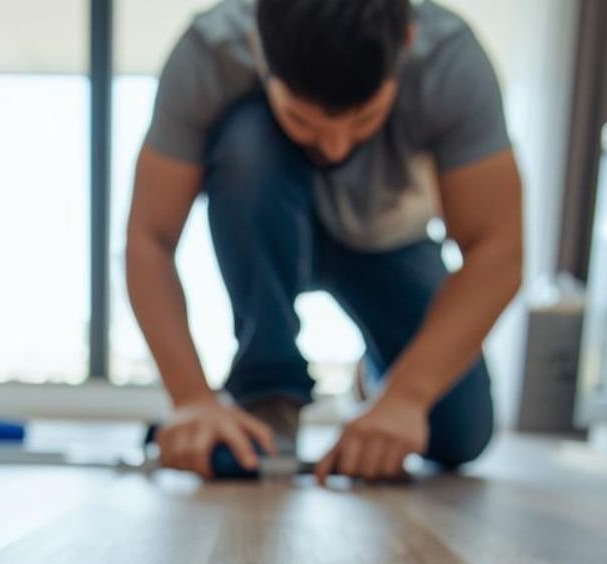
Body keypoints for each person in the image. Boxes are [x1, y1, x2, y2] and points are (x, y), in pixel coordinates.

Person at [130, 0, 523, 482]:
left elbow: (497, 249)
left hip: (387, 242)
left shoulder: (451, 60)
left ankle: (378, 376)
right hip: (264, 219)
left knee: (459, 435)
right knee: (248, 142)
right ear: (257, 47)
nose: (335, 149)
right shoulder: (210, 52)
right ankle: (267, 396)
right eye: (304, 122)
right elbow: (150, 239)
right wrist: (190, 400)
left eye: (363, 120)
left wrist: (406, 398)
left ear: (406, 42)